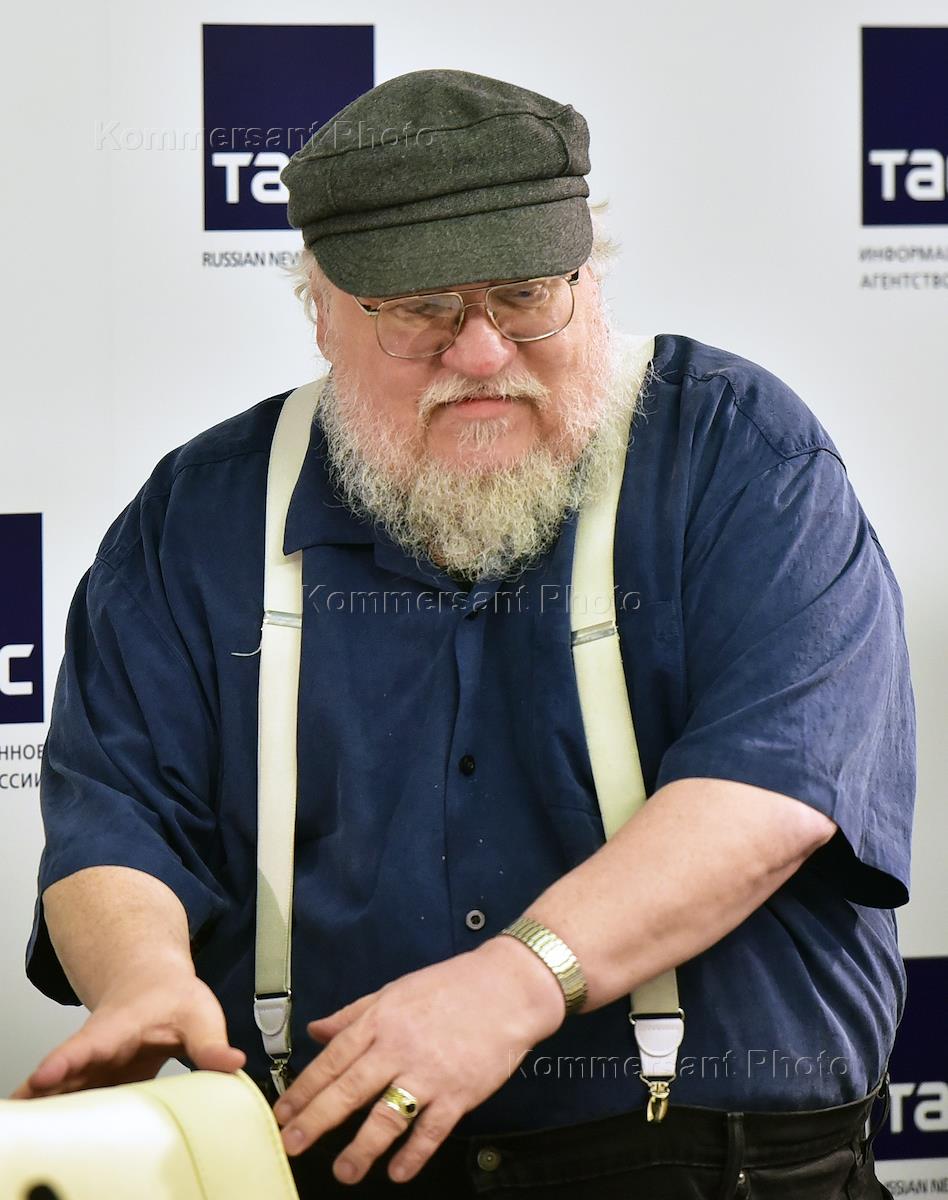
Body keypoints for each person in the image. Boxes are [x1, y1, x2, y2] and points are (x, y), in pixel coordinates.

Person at [17, 69, 913, 1199]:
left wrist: (515, 982)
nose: (483, 352)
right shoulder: (198, 517)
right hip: (333, 1161)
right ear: (321, 311)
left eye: (526, 294)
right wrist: (142, 980)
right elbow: (117, 812)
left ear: (590, 280)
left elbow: (773, 791)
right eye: (423, 310)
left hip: (710, 1166)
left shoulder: (741, 453)